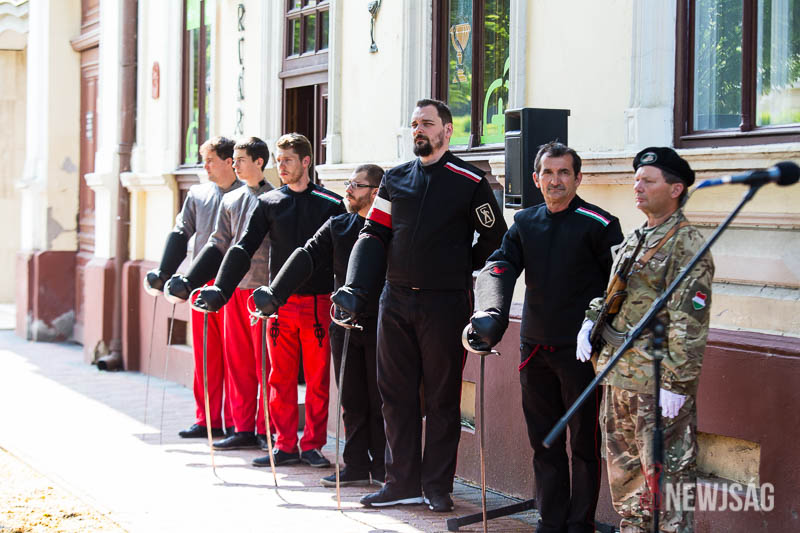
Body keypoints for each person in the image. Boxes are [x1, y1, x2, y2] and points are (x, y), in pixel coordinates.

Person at [333, 99, 507, 512]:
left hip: (445, 304)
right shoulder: (394, 179)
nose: (418, 130)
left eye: (427, 123)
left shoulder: (470, 180)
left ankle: (436, 486)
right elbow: (373, 234)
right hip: (394, 301)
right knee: (395, 396)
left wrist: (459, 264)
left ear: (447, 130)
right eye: (414, 124)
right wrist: (356, 287)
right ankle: (400, 483)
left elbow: (495, 238)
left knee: (443, 399)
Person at [467, 142, 623, 533]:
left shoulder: (600, 224)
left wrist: (598, 327)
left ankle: (580, 523)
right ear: (536, 179)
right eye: (548, 173)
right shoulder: (524, 222)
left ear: (578, 178)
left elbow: (619, 286)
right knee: (544, 441)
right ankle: (551, 521)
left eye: (564, 172)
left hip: (581, 352)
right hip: (533, 348)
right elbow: (500, 265)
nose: (555, 181)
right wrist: (488, 313)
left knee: (584, 445)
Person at [577, 147, 714, 533]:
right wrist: (589, 323)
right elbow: (613, 297)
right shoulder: (637, 238)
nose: (637, 187)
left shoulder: (687, 244)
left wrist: (677, 384)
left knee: (666, 497)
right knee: (629, 492)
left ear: (675, 189)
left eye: (648, 181)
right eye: (636, 180)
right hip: (619, 377)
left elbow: (689, 322)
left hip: (657, 386)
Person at [194, 133, 345, 469]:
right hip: (278, 304)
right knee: (279, 378)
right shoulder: (269, 203)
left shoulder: (331, 204)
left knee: (318, 380)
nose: (282, 167)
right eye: (279, 160)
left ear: (306, 161)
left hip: (319, 303)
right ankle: (285, 444)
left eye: (288, 160)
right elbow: (243, 247)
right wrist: (221, 289)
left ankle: (313, 445)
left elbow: (343, 253)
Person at [251, 164, 386, 487]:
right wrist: (276, 294)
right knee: (351, 398)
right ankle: (355, 464)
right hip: (342, 324)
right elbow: (307, 255)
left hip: (381, 322)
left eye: (356, 185)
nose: (348, 189)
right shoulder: (338, 224)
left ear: (375, 193)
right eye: (348, 182)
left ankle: (383, 467)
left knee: (379, 397)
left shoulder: (391, 227)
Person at [166, 137, 274, 451]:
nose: (236, 165)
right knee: (237, 362)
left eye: (241, 160)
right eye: (235, 160)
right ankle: (241, 426)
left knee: (265, 365)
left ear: (258, 162)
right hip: (231, 288)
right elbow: (217, 243)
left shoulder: (275, 198)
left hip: (262, 289)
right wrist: (190, 280)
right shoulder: (231, 199)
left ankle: (267, 427)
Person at [144, 136, 241, 439]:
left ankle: (239, 423)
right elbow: (181, 231)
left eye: (210, 160)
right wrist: (165, 271)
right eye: (203, 160)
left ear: (229, 162)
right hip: (200, 282)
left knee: (236, 356)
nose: (205, 166)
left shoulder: (248, 194)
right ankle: (207, 419)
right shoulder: (198, 194)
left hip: (236, 284)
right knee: (206, 354)